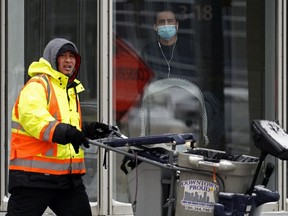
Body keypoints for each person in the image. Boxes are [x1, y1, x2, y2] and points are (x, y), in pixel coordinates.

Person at [6, 38, 111, 216]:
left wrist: (86, 129)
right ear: (52, 59)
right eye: (63, 56)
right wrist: (68, 132)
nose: (69, 60)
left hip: (66, 179)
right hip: (34, 178)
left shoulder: (69, 89)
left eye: (72, 56)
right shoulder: (38, 85)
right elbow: (35, 119)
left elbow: (63, 123)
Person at [140, 7, 225, 149]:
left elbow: (200, 80)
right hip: (159, 104)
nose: (166, 25)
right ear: (155, 27)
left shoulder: (191, 47)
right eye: (162, 22)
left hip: (186, 103)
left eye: (170, 21)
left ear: (177, 25)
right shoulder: (149, 51)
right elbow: (143, 83)